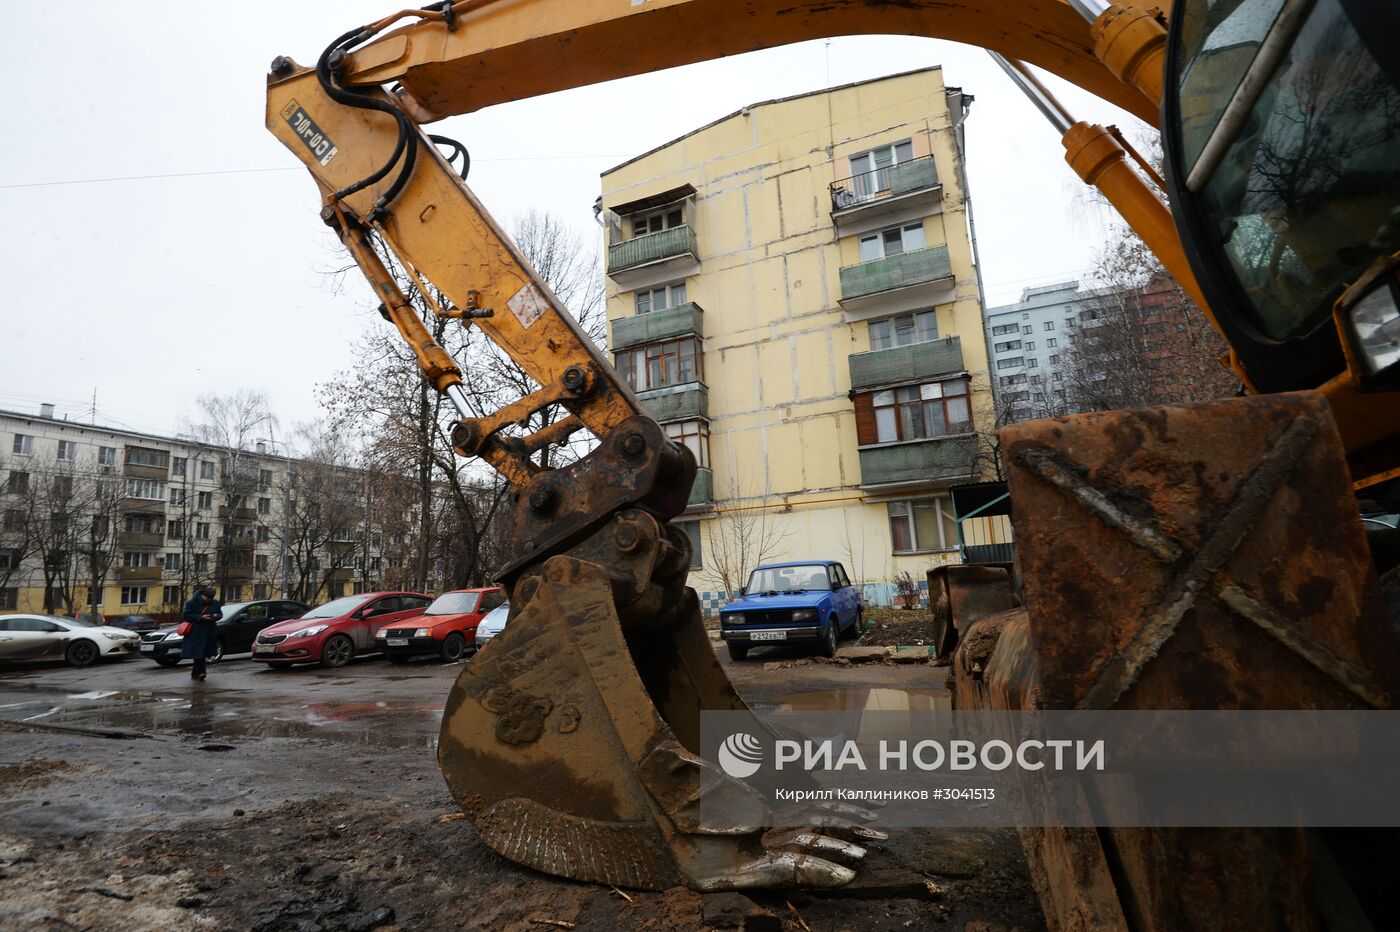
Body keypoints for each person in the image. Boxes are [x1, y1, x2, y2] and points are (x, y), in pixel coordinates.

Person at [181, 587, 222, 681]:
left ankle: (195, 673)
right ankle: (201, 673)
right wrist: (200, 617)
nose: (208, 599)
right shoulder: (191, 603)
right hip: (195, 632)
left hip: (209, 631)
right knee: (198, 652)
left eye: (210, 598)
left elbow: (220, 613)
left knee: (203, 652)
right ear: (202, 595)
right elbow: (186, 615)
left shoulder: (215, 603)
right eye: (206, 597)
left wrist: (216, 616)